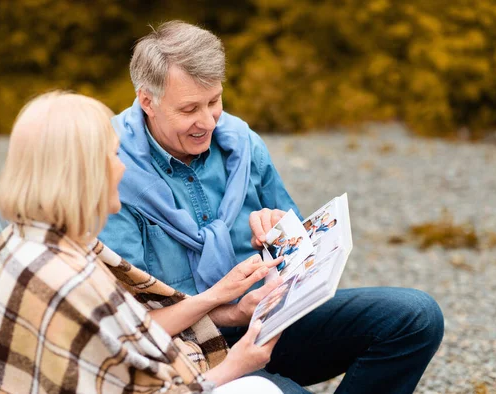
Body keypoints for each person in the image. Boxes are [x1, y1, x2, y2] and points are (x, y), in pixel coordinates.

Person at [100, 21, 444, 393]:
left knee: (417, 316)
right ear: (146, 101)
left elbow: (305, 259)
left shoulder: (242, 144)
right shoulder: (111, 171)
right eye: (188, 109)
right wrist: (228, 311)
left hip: (268, 322)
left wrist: (282, 233)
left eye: (214, 101)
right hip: (185, 351)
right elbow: (128, 324)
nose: (207, 122)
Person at [0, 92, 287, 393]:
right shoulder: (64, 279)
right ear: (82, 173)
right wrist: (236, 365)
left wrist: (221, 298)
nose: (123, 168)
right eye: (113, 155)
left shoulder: (28, 239)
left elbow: (136, 327)